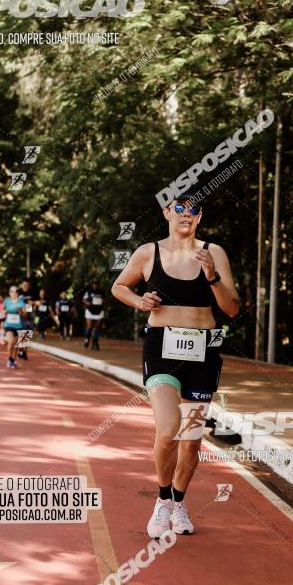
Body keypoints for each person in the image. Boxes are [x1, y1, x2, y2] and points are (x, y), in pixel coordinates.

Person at [112, 193, 239, 537]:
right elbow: (119, 286)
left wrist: (211, 275)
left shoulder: (214, 253)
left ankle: (179, 503)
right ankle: (162, 499)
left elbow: (231, 309)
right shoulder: (148, 252)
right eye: (179, 207)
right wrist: (141, 301)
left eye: (194, 208)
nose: (187, 213)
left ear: (200, 215)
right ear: (167, 212)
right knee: (169, 428)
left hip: (203, 352)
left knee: (192, 439)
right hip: (161, 350)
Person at [3, 285, 26, 369]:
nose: (14, 293)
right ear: (10, 293)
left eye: (16, 291)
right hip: (8, 325)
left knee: (16, 344)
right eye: (12, 291)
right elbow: (3, 311)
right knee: (11, 342)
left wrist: (21, 312)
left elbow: (25, 314)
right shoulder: (6, 301)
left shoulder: (21, 302)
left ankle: (14, 360)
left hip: (18, 325)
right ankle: (9, 359)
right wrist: (6, 311)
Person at [83, 280, 104, 350]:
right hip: (90, 311)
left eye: (97, 284)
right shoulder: (89, 291)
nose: (95, 285)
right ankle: (87, 339)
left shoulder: (101, 292)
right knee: (89, 327)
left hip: (99, 311)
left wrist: (102, 301)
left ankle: (95, 343)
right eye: (94, 284)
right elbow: (84, 299)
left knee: (97, 327)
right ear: (92, 284)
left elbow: (105, 300)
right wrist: (87, 303)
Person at [18, 278, 36, 359]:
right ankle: (21, 350)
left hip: (30, 314)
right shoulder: (19, 292)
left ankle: (24, 351)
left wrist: (32, 303)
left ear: (29, 286)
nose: (25, 286)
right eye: (23, 285)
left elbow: (37, 302)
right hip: (21, 314)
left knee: (27, 332)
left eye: (26, 285)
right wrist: (20, 311)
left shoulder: (32, 292)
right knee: (22, 332)